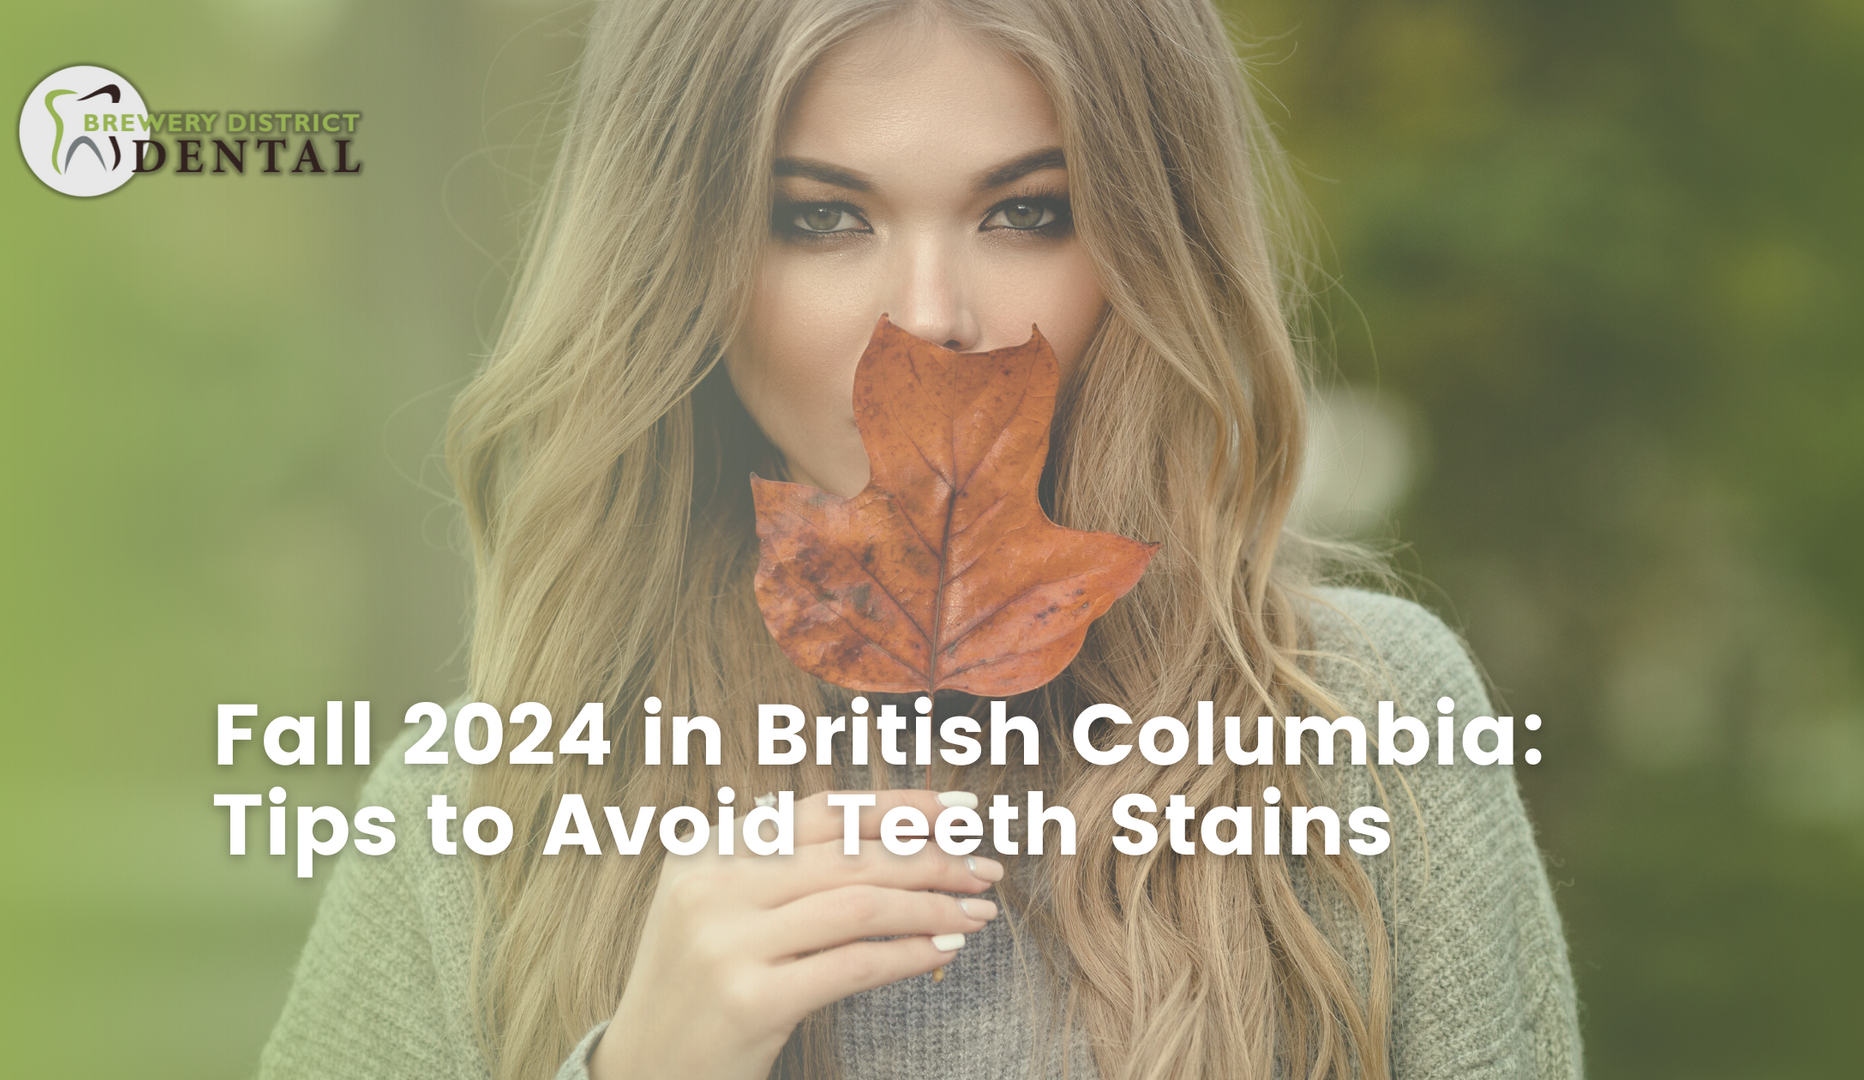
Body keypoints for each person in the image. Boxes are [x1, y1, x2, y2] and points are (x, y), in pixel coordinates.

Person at [260, 1, 1582, 1078]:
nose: (932, 318)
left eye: (1029, 211)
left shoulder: (1363, 733)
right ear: (683, 270)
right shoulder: (482, 806)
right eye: (822, 217)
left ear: (1149, 251)